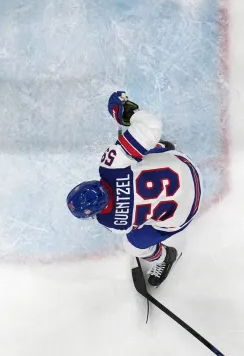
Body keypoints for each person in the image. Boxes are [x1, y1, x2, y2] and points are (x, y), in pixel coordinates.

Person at [66, 91, 202, 286]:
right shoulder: (110, 165)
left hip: (186, 210)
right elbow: (151, 125)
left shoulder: (113, 223)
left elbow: (135, 216)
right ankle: (155, 146)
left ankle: (165, 257)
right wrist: (126, 113)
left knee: (133, 245)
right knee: (132, 150)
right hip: (185, 167)